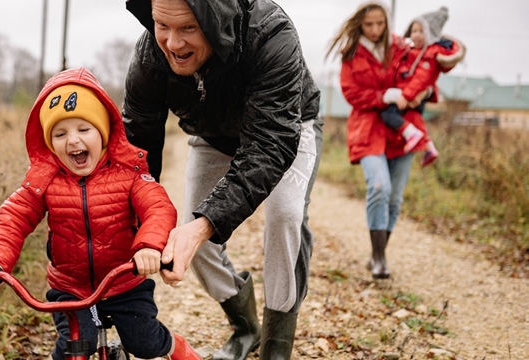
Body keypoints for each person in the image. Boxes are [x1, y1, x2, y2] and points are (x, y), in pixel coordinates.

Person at [122, 0, 323, 359]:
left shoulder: (271, 34)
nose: (172, 43)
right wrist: (130, 226)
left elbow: (269, 145)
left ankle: (276, 349)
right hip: (213, 135)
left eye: (187, 28)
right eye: (162, 26)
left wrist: (204, 225)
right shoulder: (149, 57)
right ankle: (245, 328)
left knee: (285, 216)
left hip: (285, 130)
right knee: (191, 234)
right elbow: (138, 154)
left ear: (215, 20)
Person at [0, 67, 200, 360]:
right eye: (60, 133)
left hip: (125, 282)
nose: (73, 141)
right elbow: (12, 218)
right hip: (71, 288)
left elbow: (158, 208)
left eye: (84, 129)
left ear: (103, 133)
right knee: (75, 349)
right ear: (49, 142)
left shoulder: (128, 174)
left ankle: (177, 348)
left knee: (144, 342)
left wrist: (148, 247)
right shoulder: (45, 180)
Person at [325, 1, 423, 280]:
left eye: (380, 23)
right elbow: (351, 93)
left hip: (403, 128)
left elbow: (423, 70)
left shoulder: (401, 47)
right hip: (368, 128)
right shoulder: (351, 53)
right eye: (369, 24)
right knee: (379, 186)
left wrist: (419, 92)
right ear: (359, 24)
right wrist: (385, 96)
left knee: (394, 198)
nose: (375, 29)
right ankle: (379, 258)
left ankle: (378, 255)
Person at [380, 6, 465, 166]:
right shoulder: (412, 52)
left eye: (421, 31)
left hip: (409, 95)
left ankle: (411, 134)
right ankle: (429, 147)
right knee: (415, 119)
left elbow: (421, 79)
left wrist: (406, 96)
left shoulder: (428, 56)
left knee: (388, 115)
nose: (416, 35)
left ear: (430, 34)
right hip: (409, 94)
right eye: (414, 31)